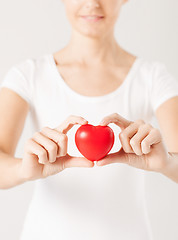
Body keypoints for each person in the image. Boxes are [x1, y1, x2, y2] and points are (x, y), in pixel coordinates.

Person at [0, 0, 178, 239]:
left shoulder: (153, 77)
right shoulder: (28, 75)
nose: (92, 3)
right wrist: (22, 169)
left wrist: (167, 162)